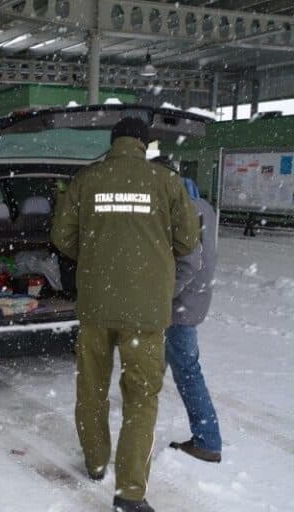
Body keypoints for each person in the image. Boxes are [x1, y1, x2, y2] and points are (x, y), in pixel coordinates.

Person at [51, 118, 200, 512]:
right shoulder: (166, 181)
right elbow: (188, 240)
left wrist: (97, 255)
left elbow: (61, 237)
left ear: (113, 142)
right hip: (145, 313)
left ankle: (96, 462)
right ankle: (130, 493)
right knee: (141, 398)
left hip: (96, 306)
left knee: (92, 388)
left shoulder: (86, 180)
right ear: (145, 144)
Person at [167, 177, 222, 463]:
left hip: (180, 305)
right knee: (177, 367)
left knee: (188, 371)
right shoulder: (205, 208)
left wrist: (163, 295)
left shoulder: (183, 210)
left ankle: (208, 441)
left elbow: (187, 263)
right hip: (196, 298)